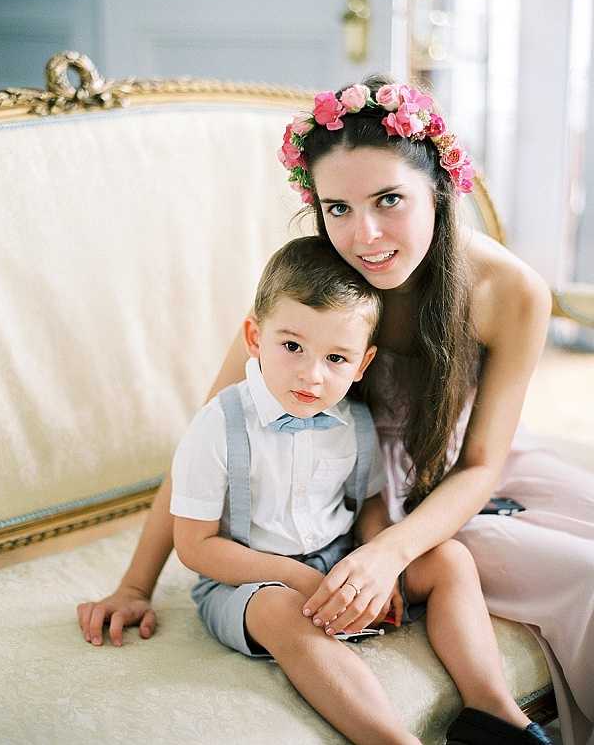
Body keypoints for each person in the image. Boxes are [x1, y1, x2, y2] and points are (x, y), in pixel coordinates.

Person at [76, 77, 593, 744]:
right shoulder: (312, 296)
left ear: (439, 188)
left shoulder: (512, 290)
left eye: (389, 200)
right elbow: (205, 444)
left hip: (452, 482)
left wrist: (385, 554)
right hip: (343, 496)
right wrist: (135, 584)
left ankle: (498, 722)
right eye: (338, 208)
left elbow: (482, 463)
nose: (365, 235)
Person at [172, 235, 547, 745]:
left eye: (336, 358)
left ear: (362, 364)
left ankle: (492, 710)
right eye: (292, 347)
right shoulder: (218, 425)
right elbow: (195, 547)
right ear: (254, 337)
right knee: (280, 612)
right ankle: (391, 738)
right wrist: (295, 578)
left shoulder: (354, 422)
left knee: (449, 559)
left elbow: (367, 504)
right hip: (246, 580)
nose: (311, 375)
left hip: (337, 560)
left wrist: (378, 560)